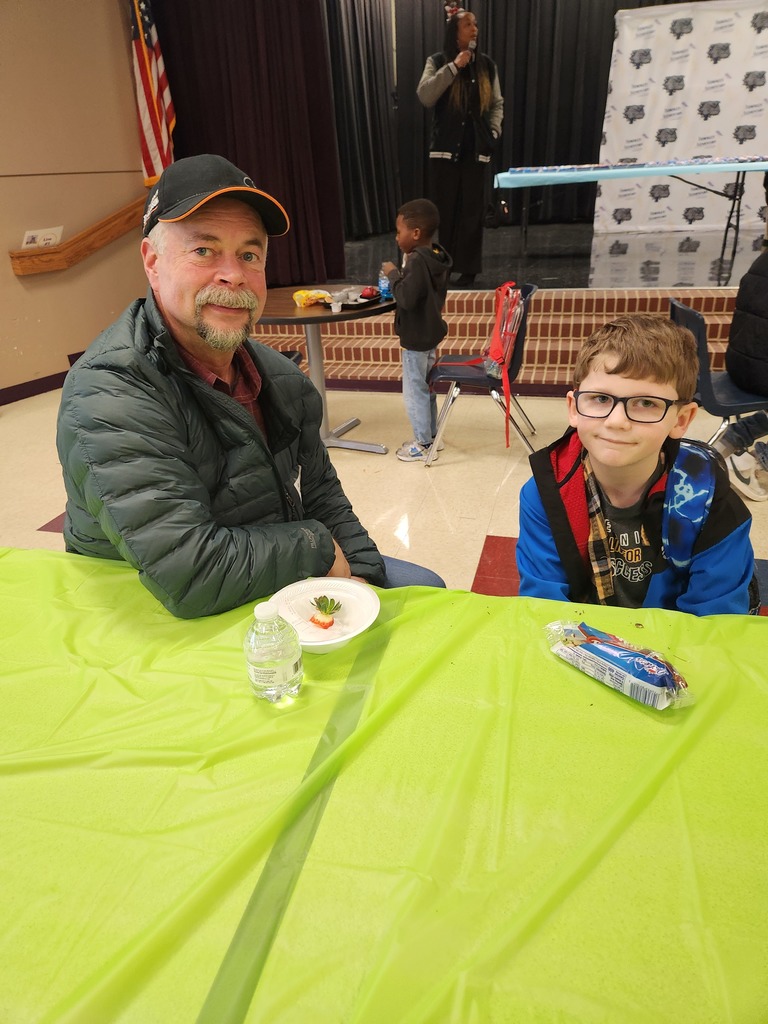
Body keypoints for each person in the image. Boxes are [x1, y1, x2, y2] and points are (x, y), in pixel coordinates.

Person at [57, 154, 445, 619]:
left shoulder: (277, 376)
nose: (234, 274)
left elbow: (323, 493)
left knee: (425, 592)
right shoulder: (111, 390)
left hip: (259, 564)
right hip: (153, 604)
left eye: (249, 254)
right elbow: (189, 571)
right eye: (204, 250)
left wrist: (361, 578)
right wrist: (317, 548)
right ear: (152, 261)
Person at [516, 315, 758, 615]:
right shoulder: (546, 493)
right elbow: (544, 607)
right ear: (573, 408)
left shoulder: (708, 499)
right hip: (587, 643)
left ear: (681, 420)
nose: (617, 422)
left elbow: (715, 622)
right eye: (600, 399)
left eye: (646, 403)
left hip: (677, 645)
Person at [417, 4, 503, 287]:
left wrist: (493, 131)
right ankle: (445, 265)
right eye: (469, 25)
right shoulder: (438, 60)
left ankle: (468, 269)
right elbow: (426, 95)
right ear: (455, 32)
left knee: (472, 212)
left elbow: (496, 104)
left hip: (475, 151)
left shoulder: (487, 65)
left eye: (475, 24)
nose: (475, 29)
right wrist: (454, 67)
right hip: (443, 153)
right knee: (445, 212)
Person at [380, 198, 452, 462]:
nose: (397, 237)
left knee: (415, 391)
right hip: (430, 333)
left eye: (399, 232)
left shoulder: (417, 261)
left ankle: (422, 444)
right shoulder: (436, 256)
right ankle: (432, 437)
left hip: (416, 337)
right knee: (427, 387)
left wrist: (393, 274)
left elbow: (407, 299)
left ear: (416, 233)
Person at [712, 221, 768, 501]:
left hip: (739, 366)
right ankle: (758, 459)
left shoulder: (761, 261)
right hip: (761, 374)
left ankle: (736, 437)